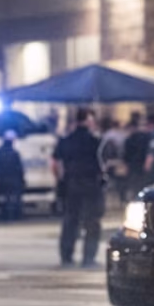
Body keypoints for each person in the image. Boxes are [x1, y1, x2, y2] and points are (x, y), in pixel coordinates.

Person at [52, 108, 105, 268]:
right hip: (90, 185)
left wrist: (61, 180)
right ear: (88, 120)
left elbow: (55, 163)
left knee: (70, 221)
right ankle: (88, 257)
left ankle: (66, 256)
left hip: (71, 184)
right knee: (92, 222)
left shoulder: (65, 140)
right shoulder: (95, 141)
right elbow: (102, 164)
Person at [0, 129, 25, 221]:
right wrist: (22, 180)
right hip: (13, 180)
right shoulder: (14, 153)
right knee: (14, 199)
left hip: (2, 179)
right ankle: (15, 216)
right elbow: (19, 168)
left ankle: (5, 216)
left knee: (5, 199)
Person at [121, 113, 152, 199]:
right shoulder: (145, 137)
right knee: (143, 185)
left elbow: (126, 155)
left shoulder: (129, 140)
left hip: (133, 166)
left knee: (134, 186)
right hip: (143, 165)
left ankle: (136, 201)